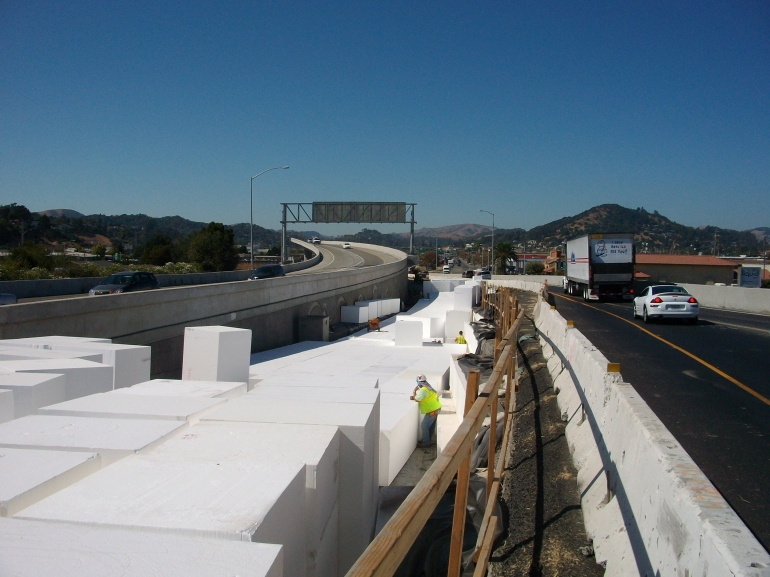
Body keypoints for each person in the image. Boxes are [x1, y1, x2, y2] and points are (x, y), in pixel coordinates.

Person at [410, 375, 442, 448]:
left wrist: (414, 391)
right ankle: (427, 440)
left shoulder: (423, 390)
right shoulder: (428, 388)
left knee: (424, 425)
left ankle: (426, 443)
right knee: (430, 426)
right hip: (435, 409)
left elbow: (417, 399)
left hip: (432, 411)